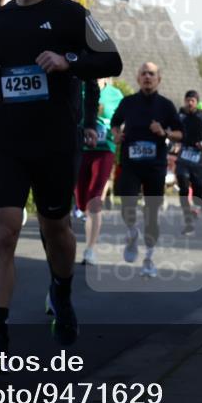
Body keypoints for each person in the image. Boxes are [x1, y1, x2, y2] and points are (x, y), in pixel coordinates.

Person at [0, 0, 122, 353]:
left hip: (55, 140)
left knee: (55, 227)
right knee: (3, 232)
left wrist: (67, 61)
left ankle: (63, 291)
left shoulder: (71, 15)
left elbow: (111, 61)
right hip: (5, 139)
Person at [110, 63, 183, 276]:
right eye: (143, 73)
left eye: (151, 73)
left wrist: (165, 132)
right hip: (131, 163)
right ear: (138, 78)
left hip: (155, 165)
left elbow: (180, 133)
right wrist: (116, 134)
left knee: (151, 213)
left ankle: (149, 258)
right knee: (127, 205)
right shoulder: (128, 102)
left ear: (159, 78)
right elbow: (115, 124)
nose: (147, 77)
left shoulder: (166, 105)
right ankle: (132, 233)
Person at [76, 78, 123, 266]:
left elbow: (122, 120)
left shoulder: (115, 94)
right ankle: (85, 213)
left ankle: (90, 249)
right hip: (80, 149)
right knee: (81, 202)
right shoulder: (79, 88)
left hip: (105, 150)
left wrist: (119, 132)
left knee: (94, 200)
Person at [175, 90, 202, 235]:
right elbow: (172, 133)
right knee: (183, 187)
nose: (190, 103)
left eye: (192, 100)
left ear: (197, 102)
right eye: (187, 100)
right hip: (183, 157)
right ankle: (188, 222)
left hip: (199, 158)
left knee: (199, 193)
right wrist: (174, 143)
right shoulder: (180, 117)